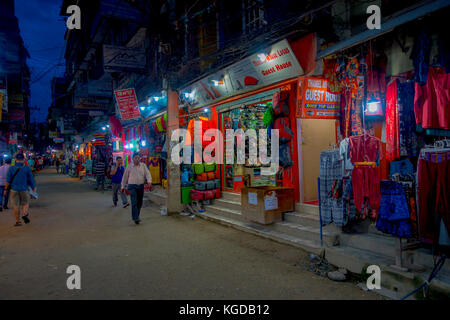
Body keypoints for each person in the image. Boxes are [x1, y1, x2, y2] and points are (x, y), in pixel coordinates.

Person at [4, 153, 36, 226]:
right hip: (24, 189)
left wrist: (5, 190)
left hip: (13, 190)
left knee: (15, 206)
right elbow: (31, 179)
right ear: (24, 159)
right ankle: (24, 214)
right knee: (25, 203)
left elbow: (8, 180)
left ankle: (18, 221)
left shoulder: (11, 168)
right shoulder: (27, 168)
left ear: (15, 159)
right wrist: (33, 187)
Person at [121, 153, 152, 224]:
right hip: (132, 186)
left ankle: (136, 216)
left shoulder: (143, 166)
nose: (137, 159)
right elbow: (125, 177)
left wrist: (149, 181)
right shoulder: (129, 166)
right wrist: (122, 186)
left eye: (138, 158)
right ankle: (136, 218)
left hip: (140, 186)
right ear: (132, 158)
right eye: (135, 158)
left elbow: (148, 174)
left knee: (139, 202)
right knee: (134, 201)